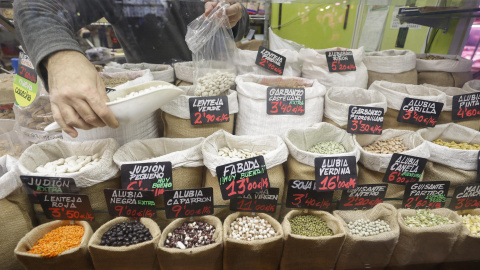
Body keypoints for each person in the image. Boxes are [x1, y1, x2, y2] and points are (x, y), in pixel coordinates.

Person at [14, 0, 249, 137]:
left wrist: (237, 15)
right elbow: (37, 6)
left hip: (224, 95)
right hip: (152, 104)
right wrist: (61, 58)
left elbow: (239, 19)